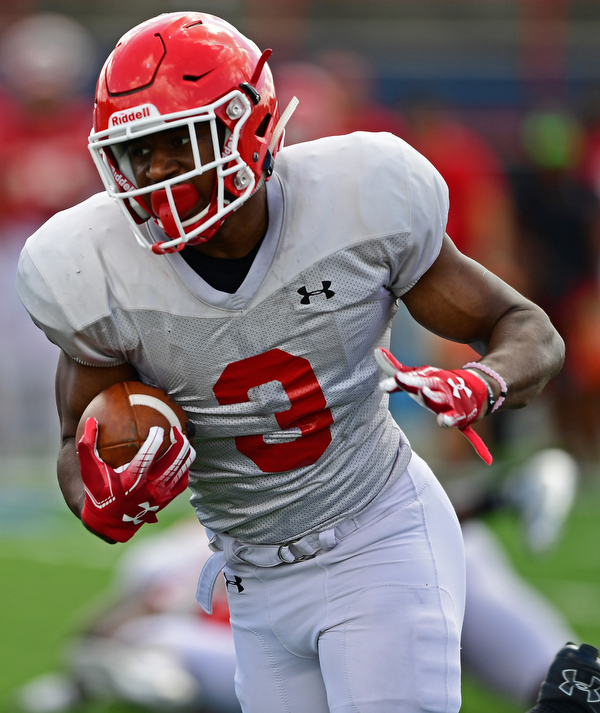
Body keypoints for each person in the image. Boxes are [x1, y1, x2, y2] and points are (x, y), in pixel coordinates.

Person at [16, 11, 564, 713]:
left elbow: (525, 327)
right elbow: (74, 448)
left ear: (244, 127)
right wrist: (106, 487)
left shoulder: (355, 199)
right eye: (137, 152)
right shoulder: (90, 269)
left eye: (175, 145)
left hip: (377, 531)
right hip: (249, 573)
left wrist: (482, 379)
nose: (153, 174)